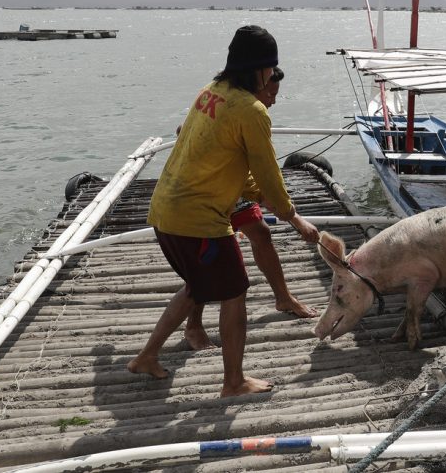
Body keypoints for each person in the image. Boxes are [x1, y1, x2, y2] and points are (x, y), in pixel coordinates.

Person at [127, 25, 320, 397]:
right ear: (262, 69)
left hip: (165, 211)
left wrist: (273, 205)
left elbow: (231, 165)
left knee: (196, 287)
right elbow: (269, 174)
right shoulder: (251, 110)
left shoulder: (210, 92)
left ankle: (146, 357)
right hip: (198, 220)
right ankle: (234, 382)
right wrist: (291, 214)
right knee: (235, 294)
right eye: (271, 68)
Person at [182, 67, 318, 353]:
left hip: (237, 187)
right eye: (270, 92)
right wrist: (296, 220)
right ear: (255, 87)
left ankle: (283, 298)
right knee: (208, 261)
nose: (273, 100)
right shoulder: (239, 108)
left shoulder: (250, 114)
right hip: (207, 196)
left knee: (261, 232)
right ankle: (193, 325)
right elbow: (187, 133)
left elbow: (255, 170)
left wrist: (285, 211)